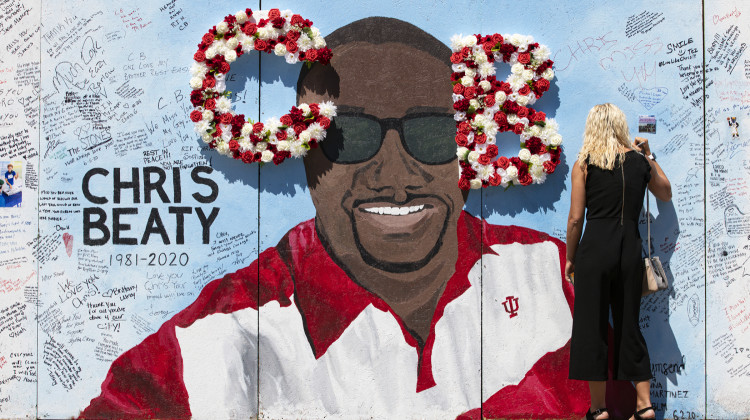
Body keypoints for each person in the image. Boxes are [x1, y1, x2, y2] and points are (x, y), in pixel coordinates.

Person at [82, 18, 629, 419]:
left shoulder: (553, 279)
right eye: (351, 137)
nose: (395, 176)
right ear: (305, 153)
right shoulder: (220, 341)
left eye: (433, 134)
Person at [565, 104, 672, 420]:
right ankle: (644, 405)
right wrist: (650, 155)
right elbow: (665, 193)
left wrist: (571, 258)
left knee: (591, 329)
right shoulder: (639, 162)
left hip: (594, 251)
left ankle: (598, 410)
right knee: (629, 326)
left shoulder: (584, 164)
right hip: (629, 250)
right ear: (621, 125)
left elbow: (575, 219)